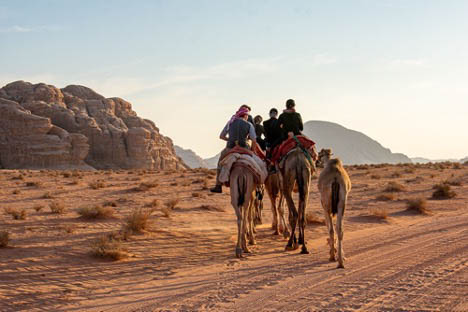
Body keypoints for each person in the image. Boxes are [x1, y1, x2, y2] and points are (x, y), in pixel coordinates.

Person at [210, 107, 257, 193]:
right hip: (244, 148)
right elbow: (254, 140)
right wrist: (253, 151)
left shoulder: (230, 122)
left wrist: (230, 139)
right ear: (245, 115)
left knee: (221, 161)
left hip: (231, 148)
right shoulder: (249, 125)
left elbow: (221, 136)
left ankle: (218, 185)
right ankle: (257, 183)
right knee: (256, 162)